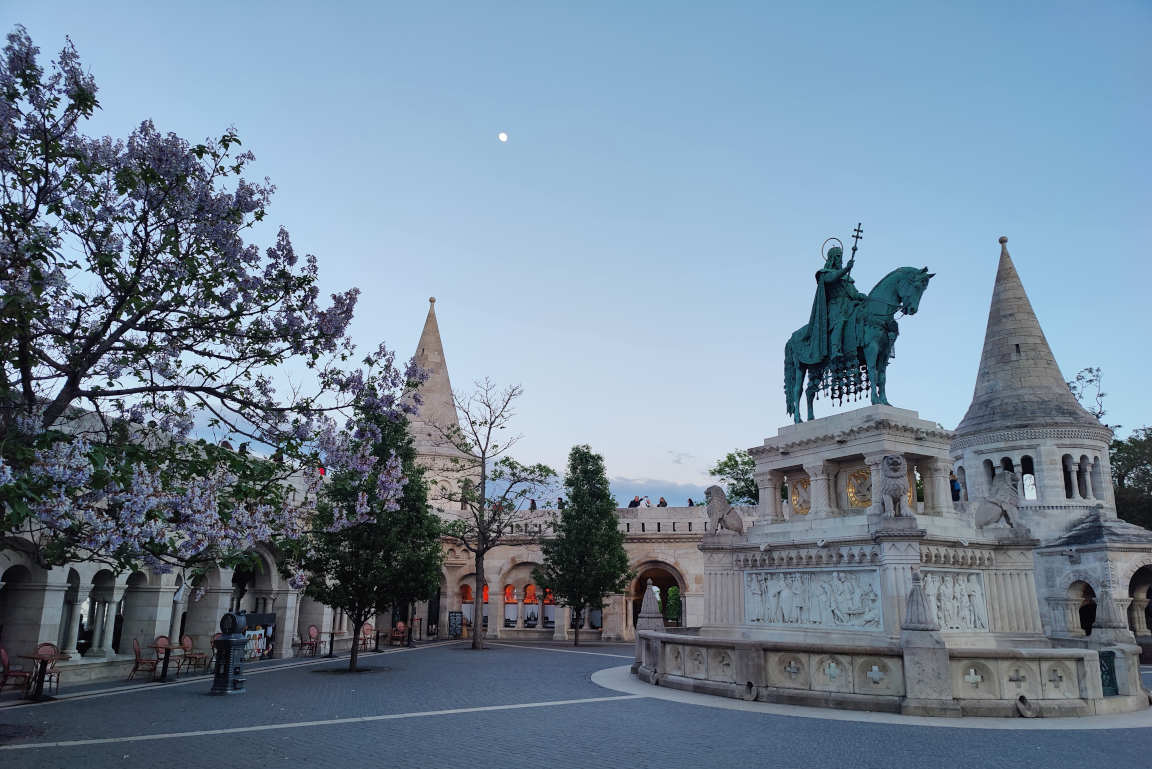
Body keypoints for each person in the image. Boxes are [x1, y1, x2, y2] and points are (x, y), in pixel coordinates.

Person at [802, 244, 867, 362]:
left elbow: (854, 294)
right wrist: (846, 269)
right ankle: (835, 349)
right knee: (840, 321)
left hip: (850, 305)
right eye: (837, 256)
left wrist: (864, 297)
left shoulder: (847, 279)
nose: (840, 259)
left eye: (841, 256)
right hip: (836, 306)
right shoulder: (825, 273)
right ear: (831, 258)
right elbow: (832, 278)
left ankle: (861, 344)